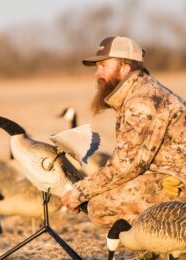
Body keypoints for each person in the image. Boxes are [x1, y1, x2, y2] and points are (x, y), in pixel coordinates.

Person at [61, 36, 186, 228]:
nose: (97, 73)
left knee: (101, 207)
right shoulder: (139, 92)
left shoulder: (142, 102)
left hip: (177, 184)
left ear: (125, 68)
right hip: (168, 176)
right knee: (101, 193)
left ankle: (165, 248)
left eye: (103, 65)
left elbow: (126, 166)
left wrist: (79, 192)